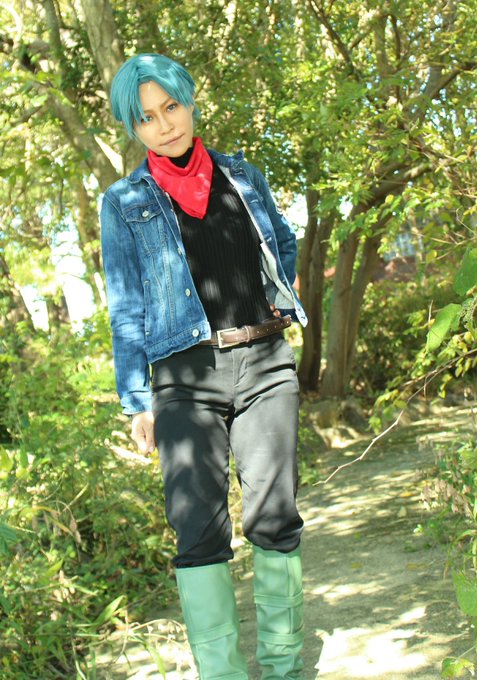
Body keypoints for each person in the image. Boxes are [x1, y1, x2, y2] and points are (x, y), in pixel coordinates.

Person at [100, 53, 308, 679]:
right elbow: (126, 305)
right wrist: (136, 400)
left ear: (190, 102)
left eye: (171, 107)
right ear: (133, 128)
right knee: (196, 530)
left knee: (275, 517)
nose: (164, 125)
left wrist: (279, 294)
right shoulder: (124, 201)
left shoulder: (242, 175)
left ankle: (284, 668)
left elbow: (281, 241)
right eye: (147, 118)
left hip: (265, 363)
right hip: (184, 379)